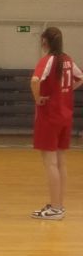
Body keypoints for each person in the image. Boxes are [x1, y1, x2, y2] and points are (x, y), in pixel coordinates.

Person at [30, 27, 83, 220]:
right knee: (61, 162)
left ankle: (55, 209)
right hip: (65, 117)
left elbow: (35, 80)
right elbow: (80, 78)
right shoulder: (67, 59)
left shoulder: (48, 60)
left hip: (50, 117)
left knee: (50, 163)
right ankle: (58, 206)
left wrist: (38, 98)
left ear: (45, 42)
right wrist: (64, 92)